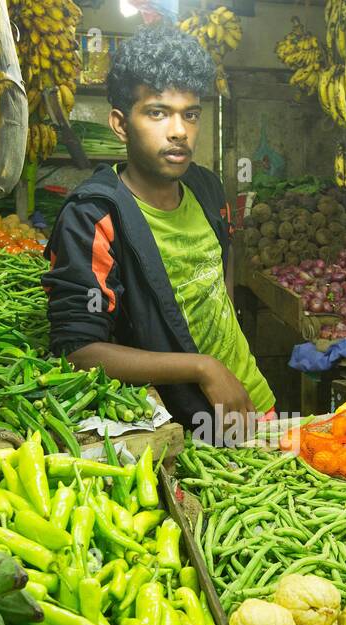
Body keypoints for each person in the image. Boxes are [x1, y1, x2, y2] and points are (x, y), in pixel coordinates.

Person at [43, 25, 274, 441]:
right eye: (157, 112)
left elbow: (217, 276)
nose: (179, 131)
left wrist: (227, 364)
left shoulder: (205, 187)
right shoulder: (95, 215)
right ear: (120, 123)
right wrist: (203, 367)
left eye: (190, 113)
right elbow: (77, 351)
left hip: (251, 398)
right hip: (181, 428)